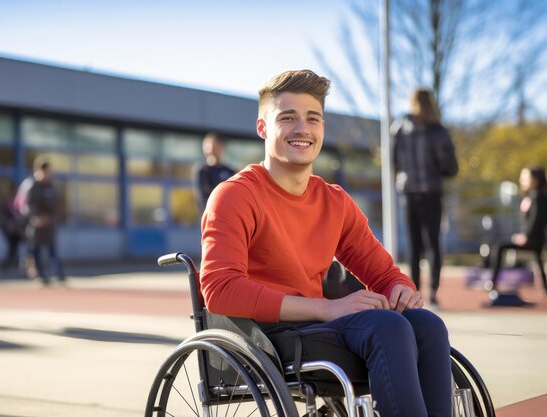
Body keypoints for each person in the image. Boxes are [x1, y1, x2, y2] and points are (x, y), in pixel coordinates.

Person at [200, 70, 452, 417]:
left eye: (312, 119)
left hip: (318, 326)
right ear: (263, 128)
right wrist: (326, 308)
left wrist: (401, 289)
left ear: (322, 128)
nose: (302, 128)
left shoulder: (333, 200)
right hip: (264, 335)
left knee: (426, 324)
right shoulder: (234, 196)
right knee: (387, 328)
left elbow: (383, 272)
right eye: (287, 118)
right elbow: (219, 290)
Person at [392, 88, 458, 307]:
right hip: (431, 193)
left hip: (408, 193)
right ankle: (433, 295)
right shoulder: (438, 131)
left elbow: (393, 162)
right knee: (433, 245)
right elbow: (450, 167)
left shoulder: (399, 127)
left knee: (414, 246)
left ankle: (414, 295)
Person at [490, 165, 547, 295]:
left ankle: (493, 284)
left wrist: (526, 236)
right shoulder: (532, 196)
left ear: (535, 180)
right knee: (537, 259)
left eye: (525, 177)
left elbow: (536, 221)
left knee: (499, 247)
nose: (522, 180)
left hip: (534, 240)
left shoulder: (538, 197)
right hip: (532, 238)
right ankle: (545, 286)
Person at [25, 157, 67, 287]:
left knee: (52, 250)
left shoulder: (51, 187)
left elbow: (56, 206)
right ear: (39, 170)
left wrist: (50, 218)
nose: (49, 174)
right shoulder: (31, 186)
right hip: (36, 226)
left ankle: (59, 274)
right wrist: (35, 219)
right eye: (47, 171)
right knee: (36, 250)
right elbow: (26, 206)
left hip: (50, 226)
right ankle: (42, 276)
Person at [191, 132, 236, 211]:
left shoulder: (230, 171)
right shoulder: (202, 170)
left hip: (229, 216)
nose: (213, 149)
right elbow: (201, 198)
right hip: (211, 215)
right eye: (210, 146)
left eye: (217, 145)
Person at [0, 182, 24, 273]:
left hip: (14, 228)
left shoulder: (14, 200)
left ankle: (14, 263)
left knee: (14, 247)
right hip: (11, 228)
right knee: (12, 247)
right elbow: (10, 215)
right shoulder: (11, 202)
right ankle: (8, 264)